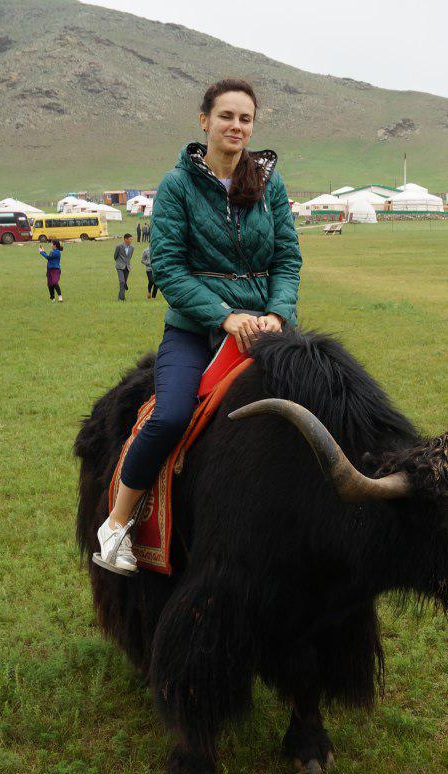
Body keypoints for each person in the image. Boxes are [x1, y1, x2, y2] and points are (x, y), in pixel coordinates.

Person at [94, 77, 302, 576]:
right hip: (195, 329)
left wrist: (275, 313)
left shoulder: (269, 184)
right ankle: (117, 524)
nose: (236, 126)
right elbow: (166, 266)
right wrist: (226, 316)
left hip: (268, 330)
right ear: (204, 121)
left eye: (246, 118)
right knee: (168, 418)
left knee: (324, 410)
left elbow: (288, 259)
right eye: (227, 116)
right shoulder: (177, 186)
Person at [113, 233, 135, 301]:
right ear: (125, 239)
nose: (131, 240)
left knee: (124, 282)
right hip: (119, 266)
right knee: (122, 281)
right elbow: (115, 256)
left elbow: (129, 257)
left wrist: (127, 264)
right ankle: (121, 298)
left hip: (127, 267)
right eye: (130, 239)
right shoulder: (119, 246)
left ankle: (122, 296)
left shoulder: (132, 248)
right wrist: (119, 262)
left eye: (131, 239)